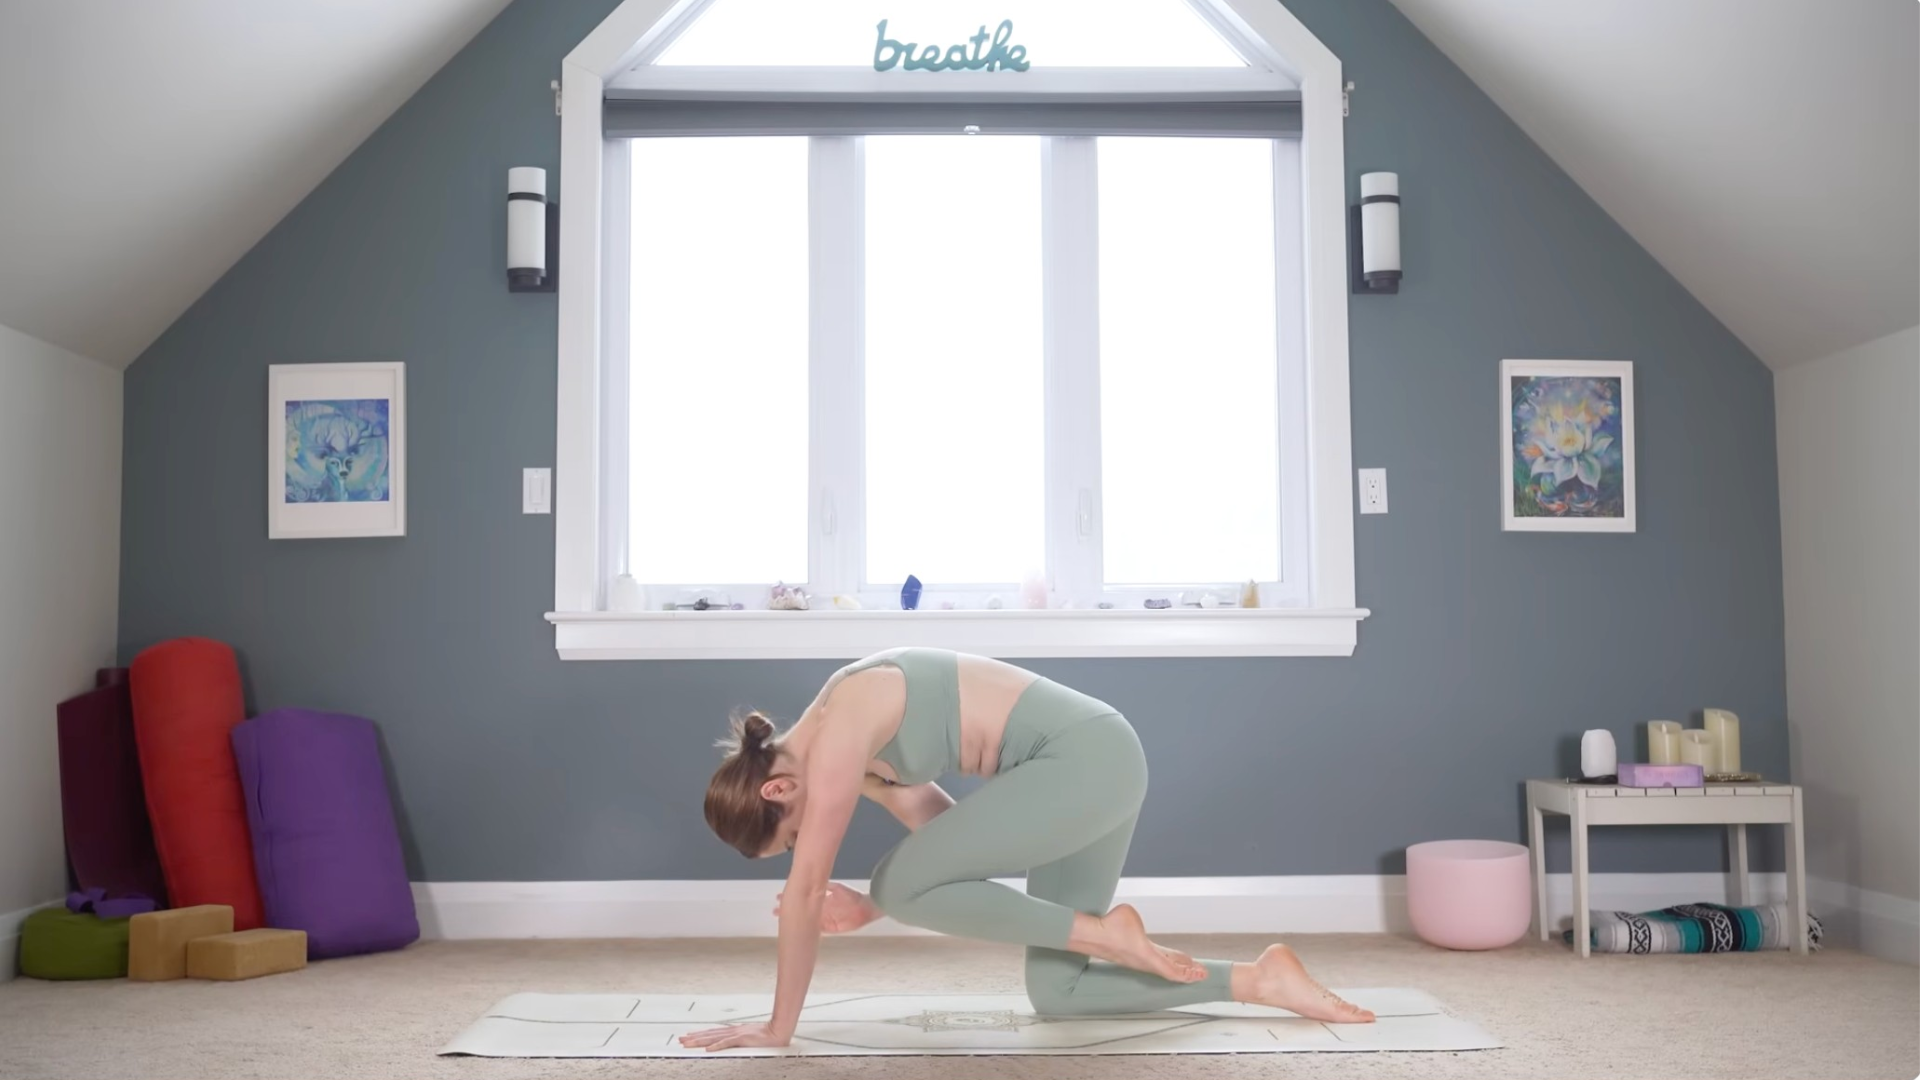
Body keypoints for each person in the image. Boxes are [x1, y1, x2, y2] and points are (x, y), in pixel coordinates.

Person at [680, 647, 1374, 1052]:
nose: (805, 846)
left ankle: (1108, 935)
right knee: (1059, 991)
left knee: (895, 883)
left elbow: (807, 891)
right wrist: (871, 908)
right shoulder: (848, 751)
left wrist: (778, 1027)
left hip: (1085, 761)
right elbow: (947, 837)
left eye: (793, 836)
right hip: (1084, 777)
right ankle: (1258, 980)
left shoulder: (838, 729)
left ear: (777, 789)